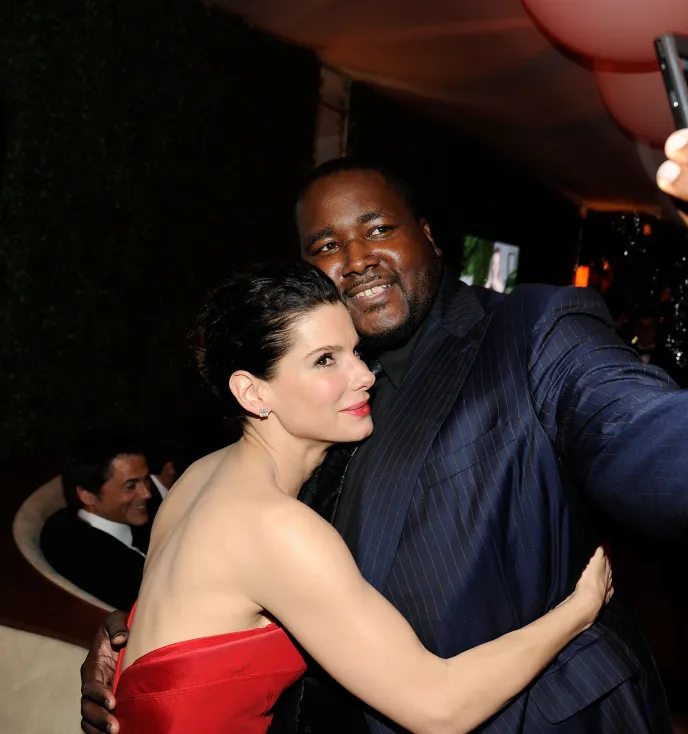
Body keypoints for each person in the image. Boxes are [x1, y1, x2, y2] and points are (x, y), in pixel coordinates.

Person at [82, 116, 688, 734]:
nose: (356, 258)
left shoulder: (528, 333)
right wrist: (136, 662)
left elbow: (631, 427)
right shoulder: (303, 399)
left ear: (428, 237)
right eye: (325, 247)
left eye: (378, 228)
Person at [109, 261, 614, 734]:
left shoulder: (200, 477)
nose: (364, 376)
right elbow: (438, 709)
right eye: (325, 360)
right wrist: (579, 610)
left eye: (356, 351)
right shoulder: (273, 527)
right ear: (252, 393)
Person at [39, 434, 153, 611]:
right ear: (88, 495)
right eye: (131, 486)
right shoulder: (87, 557)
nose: (146, 493)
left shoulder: (134, 521)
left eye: (146, 479)